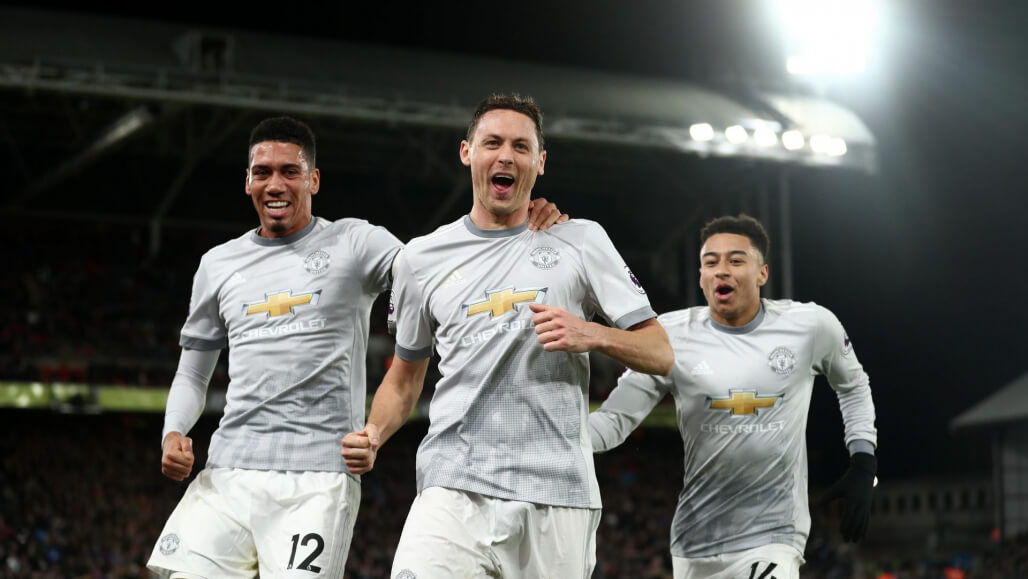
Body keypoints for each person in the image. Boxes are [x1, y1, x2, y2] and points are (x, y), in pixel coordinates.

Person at [146, 116, 566, 578]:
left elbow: (436, 267)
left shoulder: (354, 242)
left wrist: (519, 226)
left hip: (317, 479)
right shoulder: (218, 264)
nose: (275, 184)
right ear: (248, 181)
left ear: (313, 180)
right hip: (226, 471)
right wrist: (173, 431)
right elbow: (193, 372)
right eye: (262, 172)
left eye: (290, 171)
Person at [340, 93, 674, 578]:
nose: (506, 156)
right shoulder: (419, 259)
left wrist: (593, 334)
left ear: (540, 161)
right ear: (467, 152)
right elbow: (405, 377)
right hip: (453, 488)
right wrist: (374, 432)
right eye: (492, 143)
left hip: (558, 493)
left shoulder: (580, 240)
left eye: (521, 146)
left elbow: (660, 352)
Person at [588, 214, 878, 579]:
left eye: (736, 260)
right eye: (711, 262)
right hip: (694, 543)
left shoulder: (811, 326)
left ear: (762, 273)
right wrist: (552, 441)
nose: (721, 270)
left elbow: (853, 384)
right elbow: (614, 420)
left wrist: (863, 458)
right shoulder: (668, 336)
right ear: (701, 276)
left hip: (775, 535)